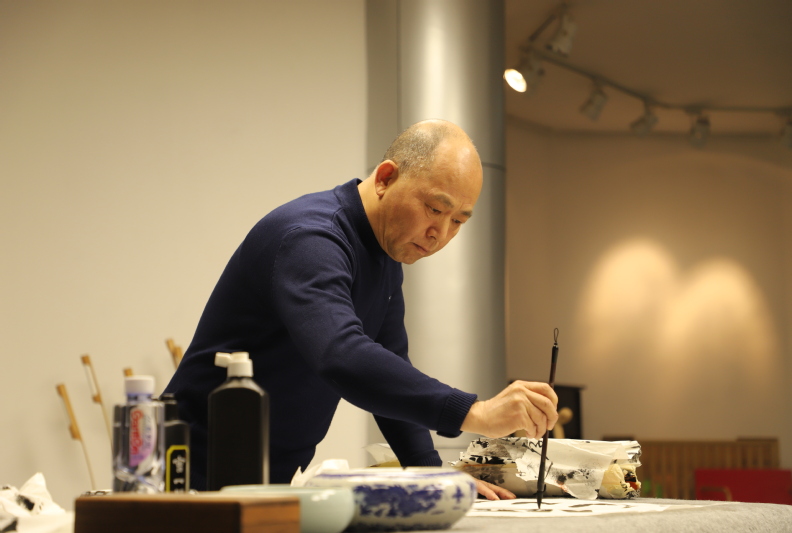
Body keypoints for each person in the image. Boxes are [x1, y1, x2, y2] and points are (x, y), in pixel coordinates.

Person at [164, 119, 558, 499]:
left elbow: (389, 370)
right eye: (435, 209)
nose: (440, 234)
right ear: (385, 178)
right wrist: (474, 412)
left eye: (458, 220)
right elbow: (341, 354)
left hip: (266, 482)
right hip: (189, 475)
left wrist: (432, 473)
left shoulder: (385, 255)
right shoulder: (311, 237)